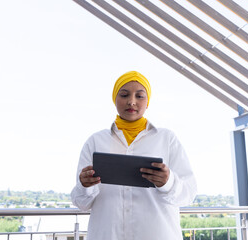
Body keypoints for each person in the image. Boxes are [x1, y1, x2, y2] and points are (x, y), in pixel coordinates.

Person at [71, 71, 197, 240]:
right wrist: (84, 185)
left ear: (148, 101)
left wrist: (168, 182)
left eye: (140, 96)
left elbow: (188, 194)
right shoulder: (95, 141)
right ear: (114, 98)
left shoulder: (167, 139)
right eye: (124, 95)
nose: (132, 101)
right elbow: (81, 203)